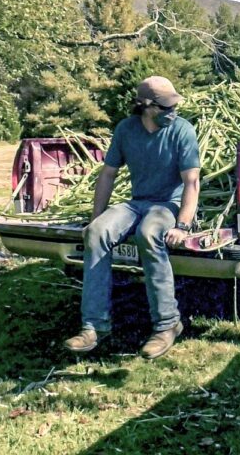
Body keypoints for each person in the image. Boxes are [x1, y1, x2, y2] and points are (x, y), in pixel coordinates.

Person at [64, 76, 200, 359]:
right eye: (165, 107)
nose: (172, 111)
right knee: (97, 233)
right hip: (138, 203)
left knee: (149, 233)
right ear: (145, 106)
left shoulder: (182, 131)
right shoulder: (126, 130)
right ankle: (94, 327)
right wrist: (96, 218)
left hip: (167, 206)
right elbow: (108, 175)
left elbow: (191, 183)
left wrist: (184, 226)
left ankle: (167, 325)